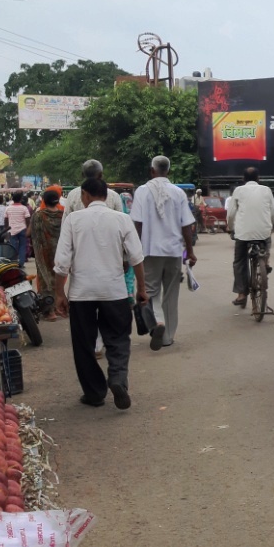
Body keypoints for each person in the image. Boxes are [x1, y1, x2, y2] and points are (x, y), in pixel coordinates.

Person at [53, 178, 148, 410]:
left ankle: (94, 393)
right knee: (118, 338)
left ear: (84, 195)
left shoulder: (74, 219)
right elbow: (136, 258)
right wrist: (142, 289)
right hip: (114, 290)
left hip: (81, 293)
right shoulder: (122, 219)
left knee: (83, 344)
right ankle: (117, 378)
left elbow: (62, 262)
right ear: (106, 195)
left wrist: (58, 294)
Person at [131, 156, 197, 351]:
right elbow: (187, 225)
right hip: (174, 250)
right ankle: (167, 337)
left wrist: (134, 250)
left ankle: (157, 323)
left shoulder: (142, 192)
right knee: (171, 293)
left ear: (152, 171)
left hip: (150, 250)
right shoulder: (178, 193)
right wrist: (190, 252)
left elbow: (138, 223)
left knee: (149, 292)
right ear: (167, 171)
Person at [226, 167, 274, 307]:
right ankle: (265, 261)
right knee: (266, 239)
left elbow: (230, 215)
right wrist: (269, 226)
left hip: (243, 234)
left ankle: (242, 294)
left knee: (239, 261)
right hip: (263, 232)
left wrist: (230, 227)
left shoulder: (238, 191)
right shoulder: (266, 190)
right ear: (258, 178)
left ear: (243, 179)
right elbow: (273, 213)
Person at [31, 190, 64, 319]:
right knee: (59, 277)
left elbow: (33, 235)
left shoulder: (38, 216)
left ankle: (49, 311)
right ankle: (60, 306)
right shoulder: (63, 215)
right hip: (61, 252)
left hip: (44, 252)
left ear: (44, 200)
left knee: (46, 279)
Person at [5, 192, 32, 268]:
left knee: (13, 247)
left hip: (12, 230)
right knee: (22, 246)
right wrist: (28, 230)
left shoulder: (8, 208)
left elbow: (6, 220)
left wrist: (6, 230)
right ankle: (21, 263)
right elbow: (28, 220)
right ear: (20, 199)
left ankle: (14, 262)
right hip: (22, 229)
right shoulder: (24, 208)